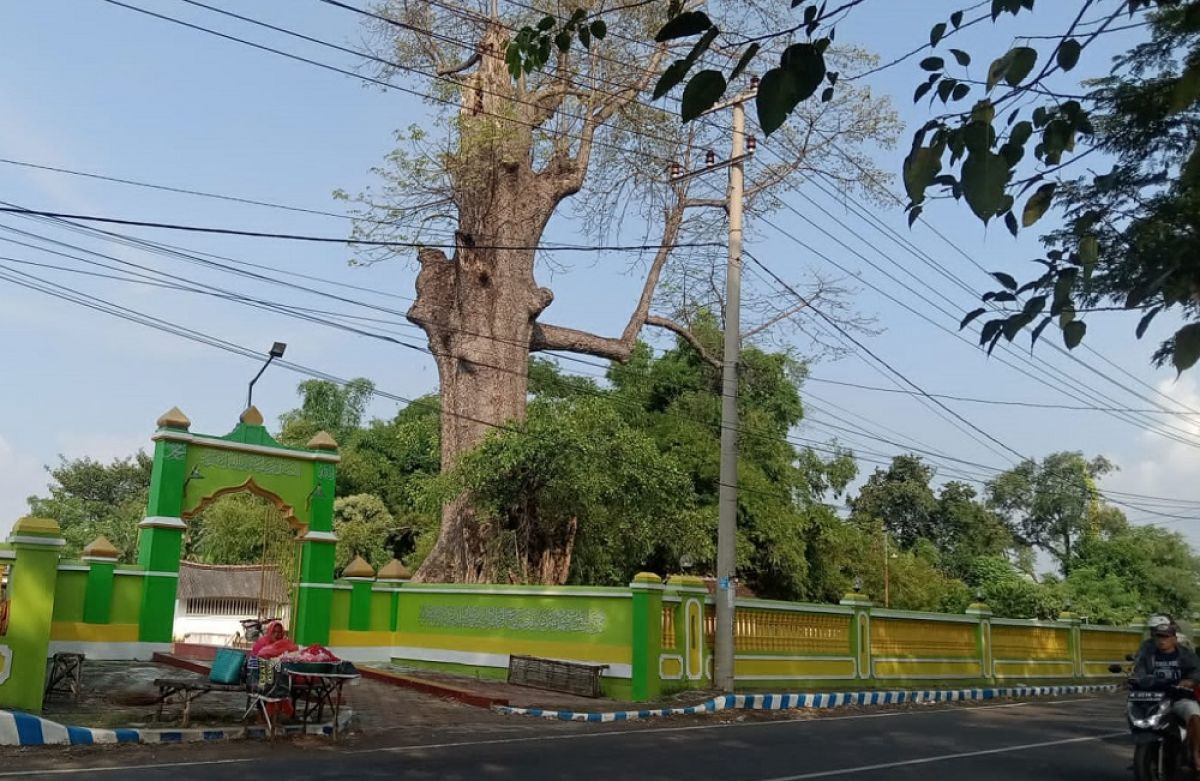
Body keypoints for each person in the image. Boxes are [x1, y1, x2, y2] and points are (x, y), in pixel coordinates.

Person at [1132, 621, 1200, 770]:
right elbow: (1138, 673)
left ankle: (1196, 756)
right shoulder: (1147, 656)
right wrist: (1134, 680)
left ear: (1174, 639)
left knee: (1195, 716)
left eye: (1166, 636)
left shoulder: (1186, 655)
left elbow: (1197, 671)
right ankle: (1143, 751)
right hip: (1154, 698)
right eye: (1159, 637)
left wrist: (1191, 680)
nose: (1162, 640)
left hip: (1180, 697)